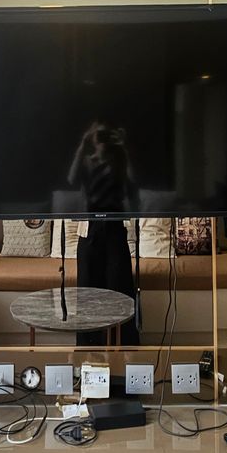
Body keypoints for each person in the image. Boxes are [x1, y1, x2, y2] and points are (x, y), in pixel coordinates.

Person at [67, 121, 140, 345]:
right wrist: (82, 144)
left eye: (105, 135)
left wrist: (124, 150)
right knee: (87, 294)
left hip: (115, 228)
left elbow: (133, 186)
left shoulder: (119, 162)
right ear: (92, 138)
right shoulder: (87, 161)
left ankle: (124, 349)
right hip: (89, 230)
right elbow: (71, 179)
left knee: (121, 289)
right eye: (98, 135)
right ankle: (88, 351)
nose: (102, 139)